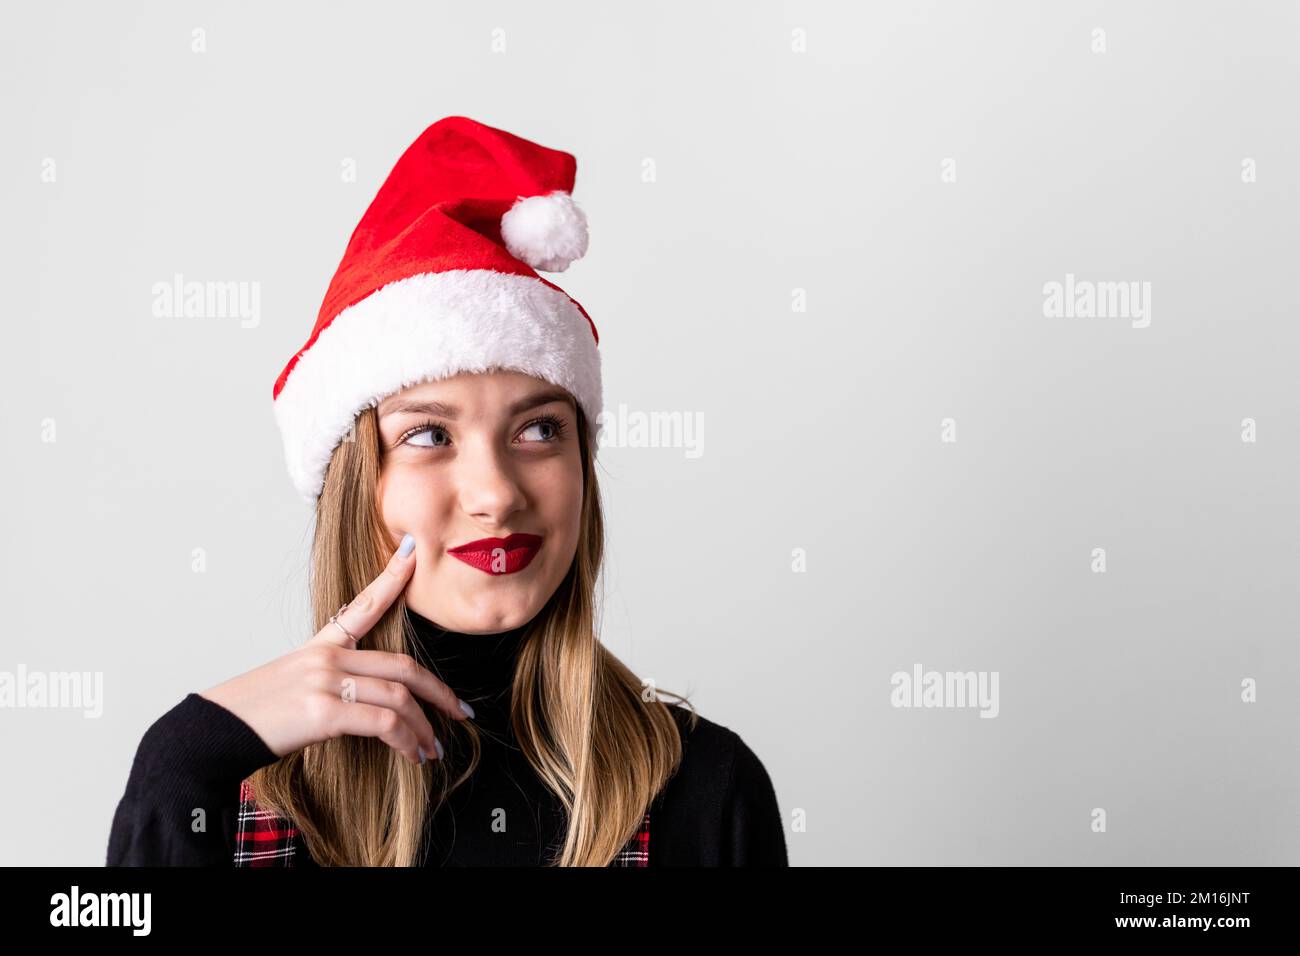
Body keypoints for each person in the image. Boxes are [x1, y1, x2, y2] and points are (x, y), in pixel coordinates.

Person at [106, 116, 787, 867]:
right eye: (429, 436)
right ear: (356, 489)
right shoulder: (233, 801)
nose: (496, 494)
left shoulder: (705, 791)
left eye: (538, 432)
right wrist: (181, 757)